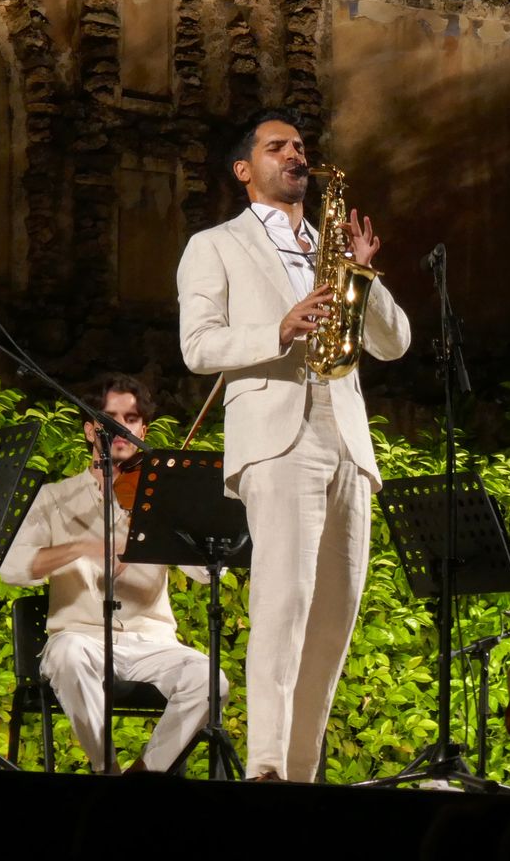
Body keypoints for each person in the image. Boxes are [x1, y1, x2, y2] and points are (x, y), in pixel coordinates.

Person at [175, 108, 411, 781]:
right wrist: (277, 329)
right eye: (277, 147)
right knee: (282, 606)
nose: (294, 155)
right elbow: (198, 346)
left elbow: (395, 343)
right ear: (244, 169)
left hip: (347, 439)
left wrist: (362, 275)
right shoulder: (215, 244)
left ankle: (302, 775)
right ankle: (266, 769)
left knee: (335, 619)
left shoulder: (328, 245)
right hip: (278, 438)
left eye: (300, 146)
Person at [0, 373, 222, 774]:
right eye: (110, 419)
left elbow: (207, 574)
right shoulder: (55, 498)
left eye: (131, 420)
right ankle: (107, 770)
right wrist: (83, 547)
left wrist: (175, 515)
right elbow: (12, 568)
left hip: (152, 642)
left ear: (143, 431)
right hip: (80, 637)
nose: (121, 429)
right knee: (67, 656)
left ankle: (146, 773)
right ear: (90, 430)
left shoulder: (156, 499)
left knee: (211, 681)